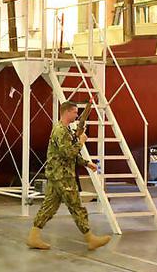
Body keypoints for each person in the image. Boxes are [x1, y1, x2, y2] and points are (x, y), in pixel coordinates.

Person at [27, 101, 112, 251]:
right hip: (63, 176)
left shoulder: (64, 130)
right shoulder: (60, 131)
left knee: (49, 207)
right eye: (74, 112)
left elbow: (69, 154)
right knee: (76, 206)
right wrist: (81, 142)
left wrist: (86, 163)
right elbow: (68, 153)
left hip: (56, 175)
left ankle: (33, 237)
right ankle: (90, 238)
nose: (77, 115)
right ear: (67, 112)